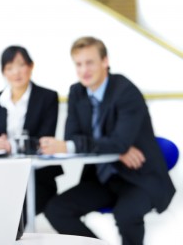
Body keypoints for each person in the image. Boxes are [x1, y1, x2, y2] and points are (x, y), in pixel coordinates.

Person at [40, 36, 175, 245]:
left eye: (90, 62)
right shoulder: (77, 92)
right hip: (103, 178)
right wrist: (114, 147)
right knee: (57, 210)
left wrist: (116, 146)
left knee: (126, 215)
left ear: (105, 62)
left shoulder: (125, 91)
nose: (84, 70)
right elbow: (72, 137)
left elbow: (114, 142)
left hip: (139, 178)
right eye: (79, 64)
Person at [0, 46, 63, 233]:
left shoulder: (47, 97)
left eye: (21, 65)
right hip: (3, 177)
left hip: (37, 178)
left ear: (31, 66)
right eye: (10, 67)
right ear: (3, 72)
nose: (16, 72)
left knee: (12, 218)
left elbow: (45, 138)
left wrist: (12, 144)